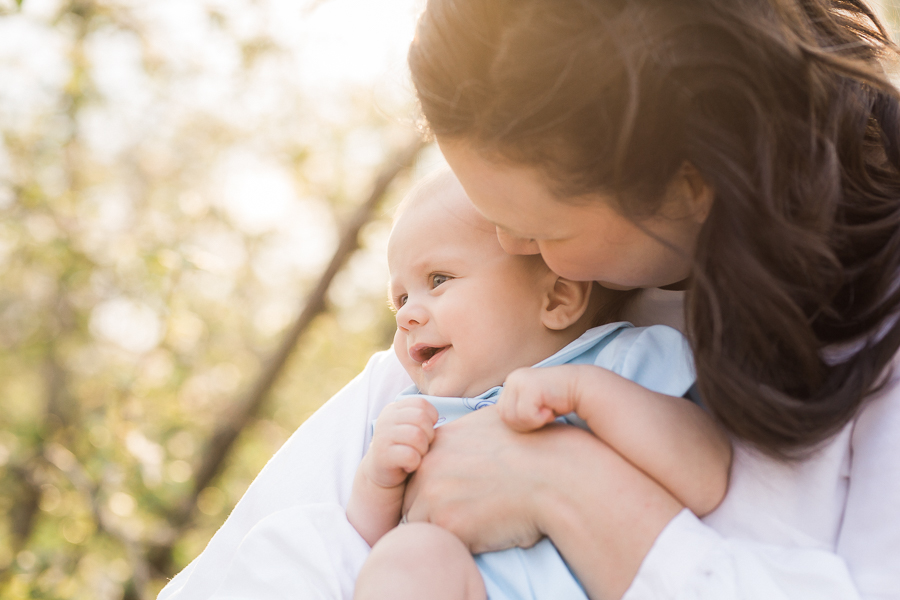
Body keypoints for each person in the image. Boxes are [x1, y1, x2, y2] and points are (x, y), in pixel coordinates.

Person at [158, 1, 900, 599]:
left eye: (541, 232)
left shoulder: (634, 347)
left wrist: (562, 481)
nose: (506, 250)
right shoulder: (458, 357)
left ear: (691, 180)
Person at [346, 171, 730, 600]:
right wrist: (377, 481)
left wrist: (587, 393)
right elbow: (354, 549)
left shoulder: (617, 360)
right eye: (399, 299)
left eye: (438, 280)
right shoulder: (415, 416)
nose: (405, 316)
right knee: (407, 557)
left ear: (557, 299)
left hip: (619, 579)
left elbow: (707, 477)